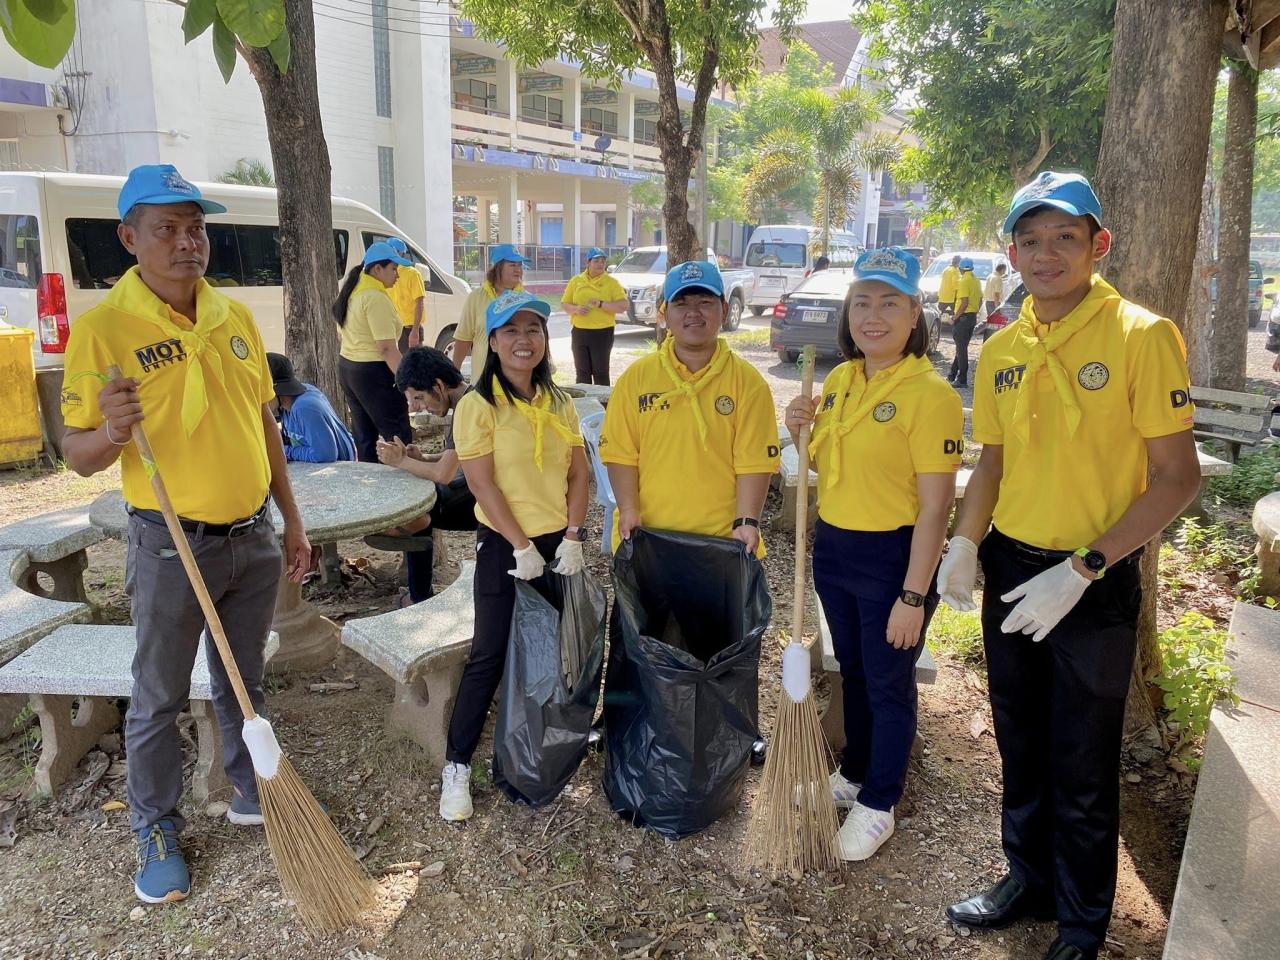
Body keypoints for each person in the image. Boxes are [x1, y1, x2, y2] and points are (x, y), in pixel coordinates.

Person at [937, 171, 1199, 960]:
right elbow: (991, 463)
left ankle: (1083, 922)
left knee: (1082, 758)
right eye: (1030, 239)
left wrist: (1084, 566)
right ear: (1010, 250)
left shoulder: (1141, 336)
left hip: (1093, 577)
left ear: (1098, 244)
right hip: (1013, 564)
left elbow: (1177, 479)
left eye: (1064, 238)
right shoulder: (1004, 343)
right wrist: (961, 542)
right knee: (1019, 737)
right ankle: (1029, 879)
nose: (1045, 255)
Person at [59, 164, 312, 904]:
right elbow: (76, 457)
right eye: (166, 228)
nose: (185, 241)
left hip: (252, 536)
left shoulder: (233, 317)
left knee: (245, 680)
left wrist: (291, 518)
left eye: (195, 226)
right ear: (128, 237)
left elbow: (264, 423)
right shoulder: (103, 331)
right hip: (171, 543)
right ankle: (155, 824)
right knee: (159, 694)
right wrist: (111, 430)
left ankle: (247, 790)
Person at [784, 247, 961, 863]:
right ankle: (855, 772)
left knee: (888, 683)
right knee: (853, 671)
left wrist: (914, 593)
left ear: (915, 314)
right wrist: (796, 430)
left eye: (890, 302)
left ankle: (880, 802)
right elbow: (825, 467)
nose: (873, 315)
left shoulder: (930, 394)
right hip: (834, 547)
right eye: (862, 302)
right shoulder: (839, 379)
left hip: (894, 559)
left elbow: (936, 509)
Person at [439, 290, 590, 821]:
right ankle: (456, 765)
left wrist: (573, 535)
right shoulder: (478, 407)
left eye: (534, 330)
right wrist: (521, 547)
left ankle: (547, 743)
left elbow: (579, 473)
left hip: (559, 542)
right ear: (493, 342)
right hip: (505, 543)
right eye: (511, 331)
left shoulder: (560, 401)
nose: (523, 341)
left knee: (559, 646)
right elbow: (481, 485)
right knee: (490, 653)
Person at [601, 260, 780, 558]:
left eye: (705, 302)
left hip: (724, 541)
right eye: (681, 303)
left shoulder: (748, 383)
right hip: (648, 536)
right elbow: (620, 453)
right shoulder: (637, 378)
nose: (694, 313)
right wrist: (630, 510)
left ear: (724, 310)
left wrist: (747, 522)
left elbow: (755, 461)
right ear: (664, 314)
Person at [375, 347, 479, 605]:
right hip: (482, 487)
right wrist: (421, 459)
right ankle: (419, 593)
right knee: (422, 503)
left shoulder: (468, 408)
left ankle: (419, 596)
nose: (417, 408)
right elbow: (457, 457)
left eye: (419, 398)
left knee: (420, 509)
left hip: (491, 500)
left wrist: (402, 461)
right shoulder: (471, 398)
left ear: (439, 386)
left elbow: (443, 474)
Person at [333, 241, 414, 463]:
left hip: (349, 369)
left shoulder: (354, 290)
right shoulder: (374, 297)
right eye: (393, 268)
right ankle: (409, 488)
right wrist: (407, 384)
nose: (397, 275)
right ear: (377, 269)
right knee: (398, 434)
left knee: (364, 436)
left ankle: (372, 490)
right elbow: (387, 348)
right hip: (373, 372)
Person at [452, 243, 528, 377]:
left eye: (520, 265)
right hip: (483, 381)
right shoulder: (476, 298)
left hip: (517, 383)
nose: (518, 270)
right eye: (512, 265)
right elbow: (463, 338)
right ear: (497, 268)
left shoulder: (527, 300)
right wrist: (453, 373)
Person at [267, 352, 356, 463]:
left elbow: (325, 455)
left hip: (339, 469)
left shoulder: (304, 408)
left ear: (277, 390)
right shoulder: (287, 403)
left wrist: (285, 451)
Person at [562, 247, 628, 385]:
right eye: (596, 260)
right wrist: (576, 309)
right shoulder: (576, 281)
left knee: (601, 372)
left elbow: (623, 306)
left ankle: (603, 405)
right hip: (579, 332)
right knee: (582, 372)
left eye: (603, 261)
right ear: (588, 263)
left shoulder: (612, 283)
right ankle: (584, 405)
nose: (600, 264)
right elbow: (565, 304)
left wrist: (600, 304)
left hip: (602, 333)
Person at [385, 236, 427, 353]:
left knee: (412, 366)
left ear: (401, 254)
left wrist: (414, 331)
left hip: (409, 330)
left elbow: (419, 303)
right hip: (392, 328)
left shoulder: (413, 274)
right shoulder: (385, 273)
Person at [948, 258, 982, 388]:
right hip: (971, 317)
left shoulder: (964, 281)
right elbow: (980, 299)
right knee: (961, 347)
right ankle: (952, 373)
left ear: (961, 269)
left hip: (963, 317)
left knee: (961, 349)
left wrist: (954, 318)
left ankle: (962, 379)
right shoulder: (976, 280)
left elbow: (964, 302)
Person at [938, 254, 961, 319]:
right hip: (951, 299)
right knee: (951, 317)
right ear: (959, 262)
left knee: (941, 317)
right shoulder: (955, 271)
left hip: (942, 297)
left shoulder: (946, 269)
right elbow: (956, 286)